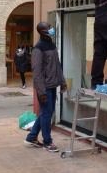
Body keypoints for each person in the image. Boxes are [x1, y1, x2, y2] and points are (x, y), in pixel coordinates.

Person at [24, 22, 67, 152]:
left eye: (50, 27)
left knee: (46, 113)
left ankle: (31, 137)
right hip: (44, 88)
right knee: (47, 114)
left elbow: (57, 66)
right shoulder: (38, 48)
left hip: (52, 85)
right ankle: (47, 142)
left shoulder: (52, 45)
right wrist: (41, 92)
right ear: (42, 31)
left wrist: (63, 82)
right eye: (48, 27)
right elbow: (36, 72)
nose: (51, 28)